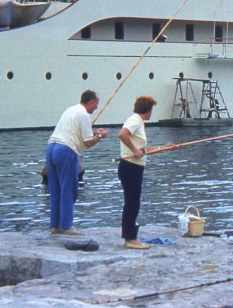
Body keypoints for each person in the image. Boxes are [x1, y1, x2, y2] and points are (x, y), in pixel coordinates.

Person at [45, 90, 107, 235]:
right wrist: (100, 136)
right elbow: (88, 142)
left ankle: (55, 226)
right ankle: (66, 226)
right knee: (69, 190)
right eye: (96, 104)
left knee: (55, 190)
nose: (96, 108)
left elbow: (77, 133)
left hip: (51, 148)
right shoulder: (83, 114)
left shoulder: (70, 110)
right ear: (90, 102)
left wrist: (94, 133)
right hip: (65, 151)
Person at [117, 95, 175, 249]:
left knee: (133, 202)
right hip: (130, 168)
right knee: (132, 203)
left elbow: (144, 150)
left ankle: (130, 237)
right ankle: (130, 239)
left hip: (134, 168)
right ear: (147, 110)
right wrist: (134, 150)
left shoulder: (139, 123)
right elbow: (122, 134)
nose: (152, 113)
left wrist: (163, 148)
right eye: (151, 110)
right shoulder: (135, 120)